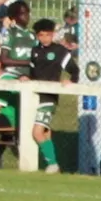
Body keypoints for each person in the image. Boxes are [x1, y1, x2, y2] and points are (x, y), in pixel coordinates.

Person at [27, 18, 80, 173]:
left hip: (49, 98)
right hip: (35, 97)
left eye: (48, 35)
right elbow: (32, 73)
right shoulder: (34, 51)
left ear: (53, 34)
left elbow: (74, 70)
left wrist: (70, 80)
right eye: (41, 35)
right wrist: (26, 78)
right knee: (45, 132)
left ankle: (52, 164)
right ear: (37, 36)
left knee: (36, 132)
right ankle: (53, 164)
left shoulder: (59, 51)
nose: (45, 38)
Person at [0, 1, 35, 76]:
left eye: (27, 13)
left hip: (30, 74)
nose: (27, 16)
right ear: (14, 16)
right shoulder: (10, 33)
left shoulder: (33, 35)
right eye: (22, 13)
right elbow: (4, 59)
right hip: (13, 73)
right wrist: (28, 63)